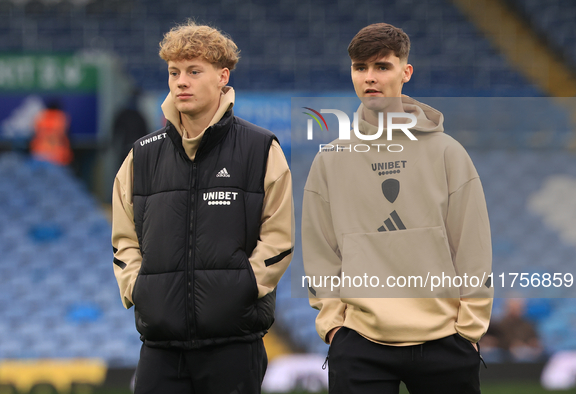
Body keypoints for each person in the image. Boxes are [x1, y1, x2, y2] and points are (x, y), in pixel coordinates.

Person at [302, 23, 493, 393]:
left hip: (445, 340)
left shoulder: (448, 153)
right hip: (359, 341)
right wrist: (334, 325)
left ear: (405, 72)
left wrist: (469, 329)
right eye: (361, 68)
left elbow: (472, 245)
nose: (370, 78)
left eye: (382, 67)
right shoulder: (331, 160)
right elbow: (320, 250)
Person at [111, 21, 293, 394]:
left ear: (222, 76)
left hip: (234, 345)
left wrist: (242, 290)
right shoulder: (141, 156)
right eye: (174, 72)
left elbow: (278, 238)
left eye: (194, 71)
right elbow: (122, 237)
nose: (181, 82)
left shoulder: (260, 150)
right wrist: (138, 288)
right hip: (160, 348)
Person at [30, 100, 73, 166]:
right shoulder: (61, 117)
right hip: (57, 155)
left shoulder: (41, 116)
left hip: (39, 153)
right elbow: (64, 135)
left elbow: (35, 133)